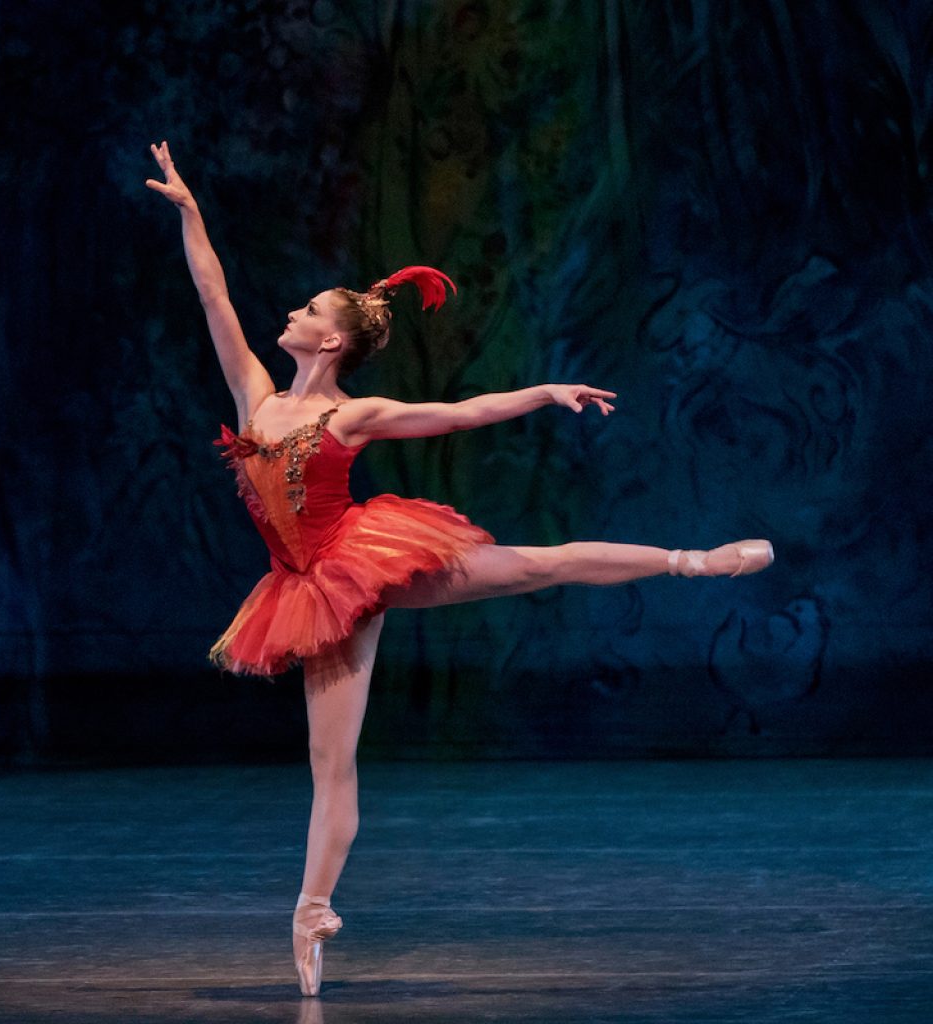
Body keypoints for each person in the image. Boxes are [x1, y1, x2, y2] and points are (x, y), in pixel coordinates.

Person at [145, 140, 774, 996]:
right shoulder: (256, 396)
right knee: (330, 765)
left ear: (329, 338)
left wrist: (545, 392)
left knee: (533, 566)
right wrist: (192, 212)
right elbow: (211, 292)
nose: (287, 313)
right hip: (310, 593)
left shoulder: (352, 413)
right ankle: (311, 910)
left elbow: (459, 411)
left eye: (304, 308)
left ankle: (694, 561)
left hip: (363, 559)